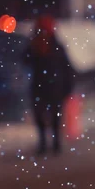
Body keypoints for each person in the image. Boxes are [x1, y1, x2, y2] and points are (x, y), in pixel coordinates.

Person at [23, 15, 75, 155]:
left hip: (50, 86)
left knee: (52, 116)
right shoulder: (36, 46)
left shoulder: (53, 46)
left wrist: (68, 86)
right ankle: (48, 143)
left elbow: (66, 67)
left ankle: (50, 143)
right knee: (45, 115)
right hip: (46, 86)